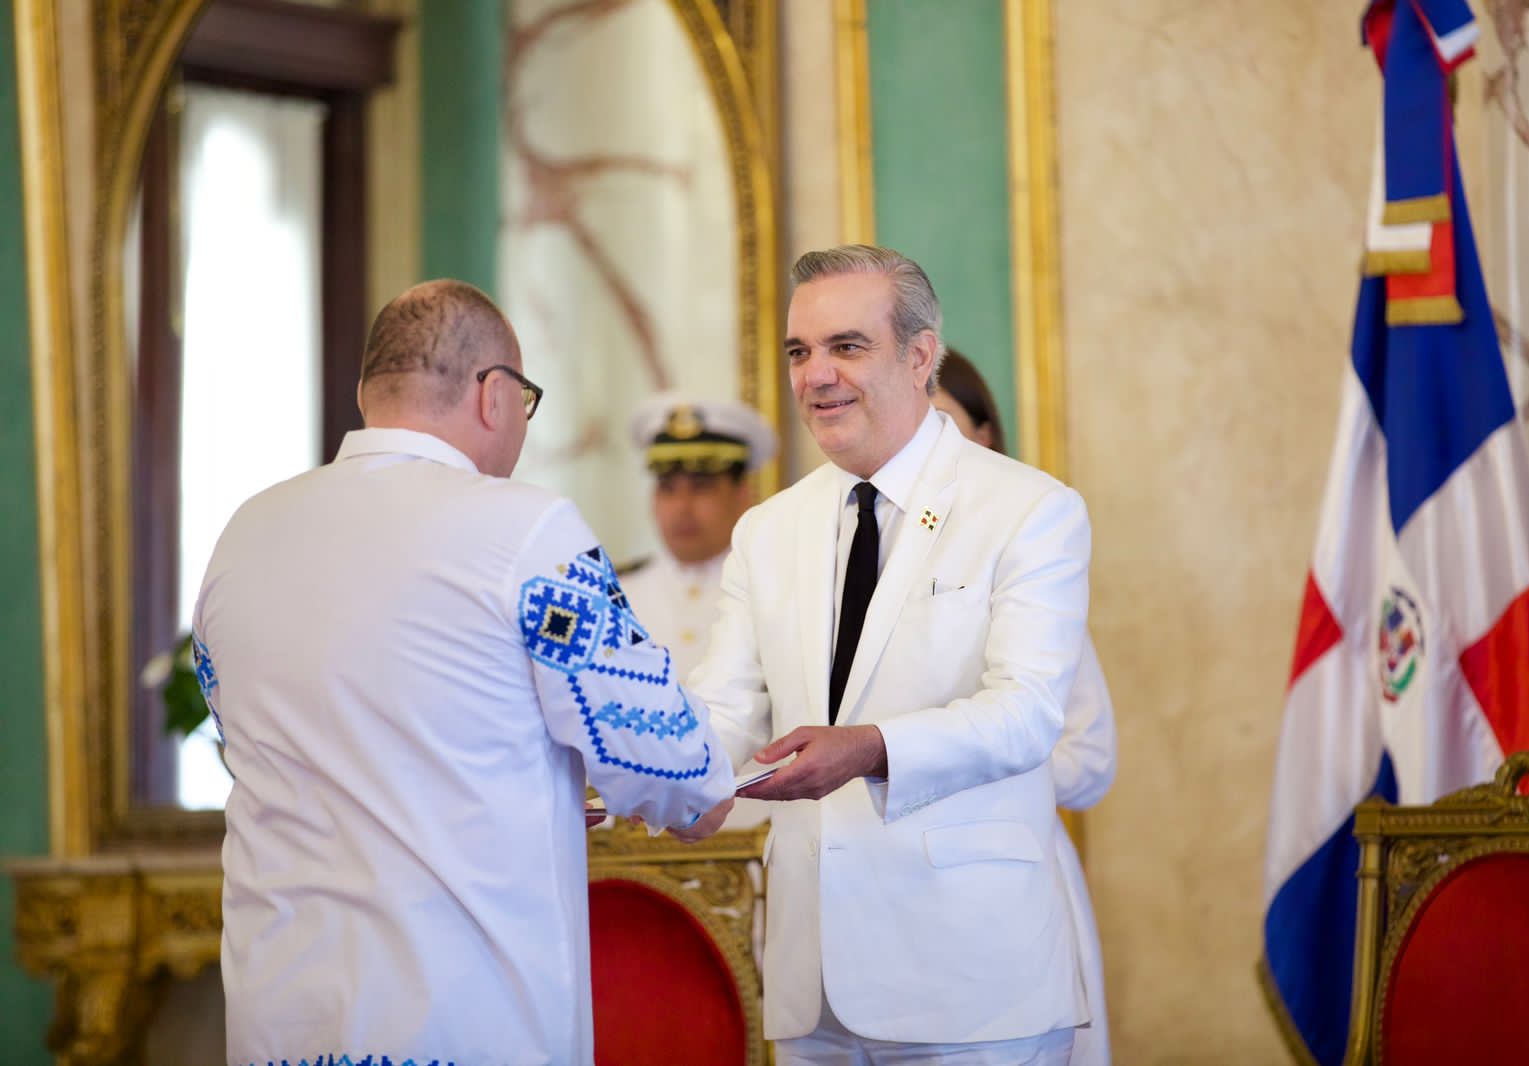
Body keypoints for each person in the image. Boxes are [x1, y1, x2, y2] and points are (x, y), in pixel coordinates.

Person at [193, 279, 735, 1066]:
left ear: (368, 395)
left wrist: (528, 785)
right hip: (461, 1011)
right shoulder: (525, 530)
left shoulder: (244, 534)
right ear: (495, 394)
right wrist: (691, 791)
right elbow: (676, 766)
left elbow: (246, 736)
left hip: (279, 1013)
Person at [678, 244, 1094, 1063]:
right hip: (811, 982)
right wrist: (662, 774)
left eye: (846, 346)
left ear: (920, 356)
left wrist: (870, 749)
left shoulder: (1029, 509)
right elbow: (726, 707)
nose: (816, 375)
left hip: (970, 981)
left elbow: (1027, 715)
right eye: (799, 351)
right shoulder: (767, 529)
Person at [935, 347, 1118, 1066]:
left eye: (942, 423)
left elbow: (1089, 760)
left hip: (1007, 880)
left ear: (985, 436)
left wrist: (940, 765)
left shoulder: (1027, 570)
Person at [622, 393, 777, 677]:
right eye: (668, 488)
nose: (682, 507)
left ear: (743, 495)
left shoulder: (773, 588)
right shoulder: (618, 593)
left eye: (701, 487)